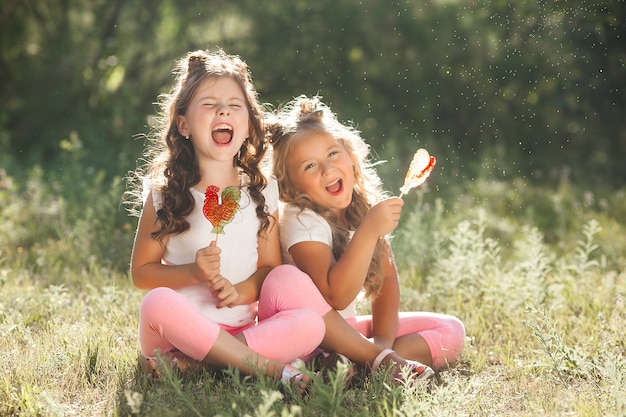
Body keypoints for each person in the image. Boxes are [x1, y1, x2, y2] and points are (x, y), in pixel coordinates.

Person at [126, 49, 330, 390]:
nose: (223, 110)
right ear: (183, 124)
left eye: (235, 105)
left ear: (248, 125)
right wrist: (191, 272)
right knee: (156, 303)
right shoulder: (167, 193)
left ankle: (203, 365)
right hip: (177, 336)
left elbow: (268, 269)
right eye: (208, 104)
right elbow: (141, 274)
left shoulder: (260, 193)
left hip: (244, 332)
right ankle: (272, 370)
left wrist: (238, 291)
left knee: (312, 324)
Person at [267, 95, 465, 374]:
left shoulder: (361, 209)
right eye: (309, 166)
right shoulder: (300, 220)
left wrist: (381, 344)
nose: (327, 168)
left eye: (332, 153)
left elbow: (385, 283)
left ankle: (360, 363)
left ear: (349, 153)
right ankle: (349, 363)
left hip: (349, 333)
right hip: (312, 338)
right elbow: (337, 297)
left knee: (450, 329)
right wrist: (369, 231)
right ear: (289, 185)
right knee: (310, 354)